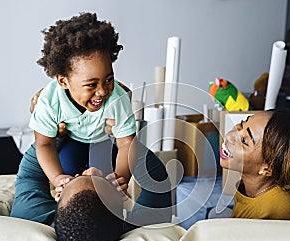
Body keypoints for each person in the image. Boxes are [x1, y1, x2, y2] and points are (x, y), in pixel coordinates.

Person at [11, 12, 172, 226]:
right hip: (76, 144)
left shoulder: (117, 97)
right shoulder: (50, 101)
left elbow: (127, 143)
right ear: (63, 81)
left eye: (109, 80)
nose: (102, 92)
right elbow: (44, 144)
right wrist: (57, 177)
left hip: (103, 145)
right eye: (91, 85)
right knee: (70, 169)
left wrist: (119, 176)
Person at [219, 109, 290, 221]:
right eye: (242, 124)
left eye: (244, 141)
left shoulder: (265, 217)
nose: (230, 136)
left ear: (268, 169)